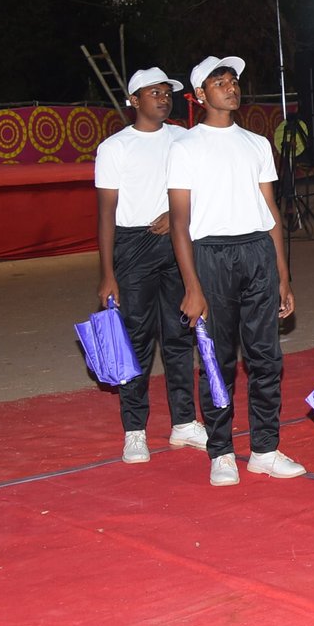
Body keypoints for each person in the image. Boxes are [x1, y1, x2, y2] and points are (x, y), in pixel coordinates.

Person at [167, 56, 302, 487]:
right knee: (217, 358)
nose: (230, 87)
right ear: (199, 94)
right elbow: (179, 223)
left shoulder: (257, 144)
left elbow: (271, 212)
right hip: (211, 255)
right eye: (219, 82)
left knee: (266, 357)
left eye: (233, 80)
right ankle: (221, 450)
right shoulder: (185, 147)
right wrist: (192, 285)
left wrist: (282, 274)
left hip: (257, 251)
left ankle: (265, 448)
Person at [93, 67, 204, 463]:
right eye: (153, 92)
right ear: (133, 100)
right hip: (133, 245)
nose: (163, 98)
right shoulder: (115, 148)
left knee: (179, 336)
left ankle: (184, 422)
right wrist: (107, 273)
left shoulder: (183, 138)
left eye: (166, 92)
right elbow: (106, 213)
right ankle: (134, 430)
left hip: (176, 242)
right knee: (136, 339)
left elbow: (200, 186)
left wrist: (175, 215)